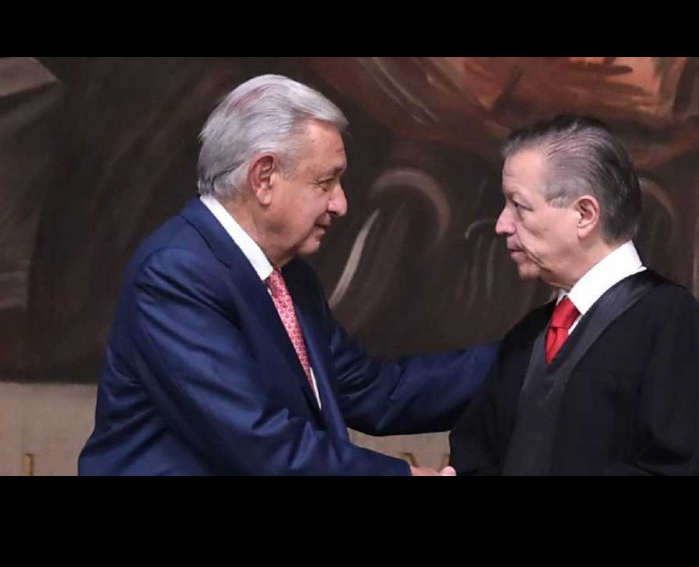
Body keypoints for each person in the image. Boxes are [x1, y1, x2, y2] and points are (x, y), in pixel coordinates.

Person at [78, 74, 496, 476]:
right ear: (264, 178)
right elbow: (256, 441)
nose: (341, 204)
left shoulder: (288, 275)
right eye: (326, 182)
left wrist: (522, 358)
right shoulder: (176, 272)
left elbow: (373, 393)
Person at [449, 115, 699, 475]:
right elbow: (475, 453)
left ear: (584, 214)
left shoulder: (674, 325)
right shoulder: (528, 335)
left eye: (518, 206)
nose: (501, 225)